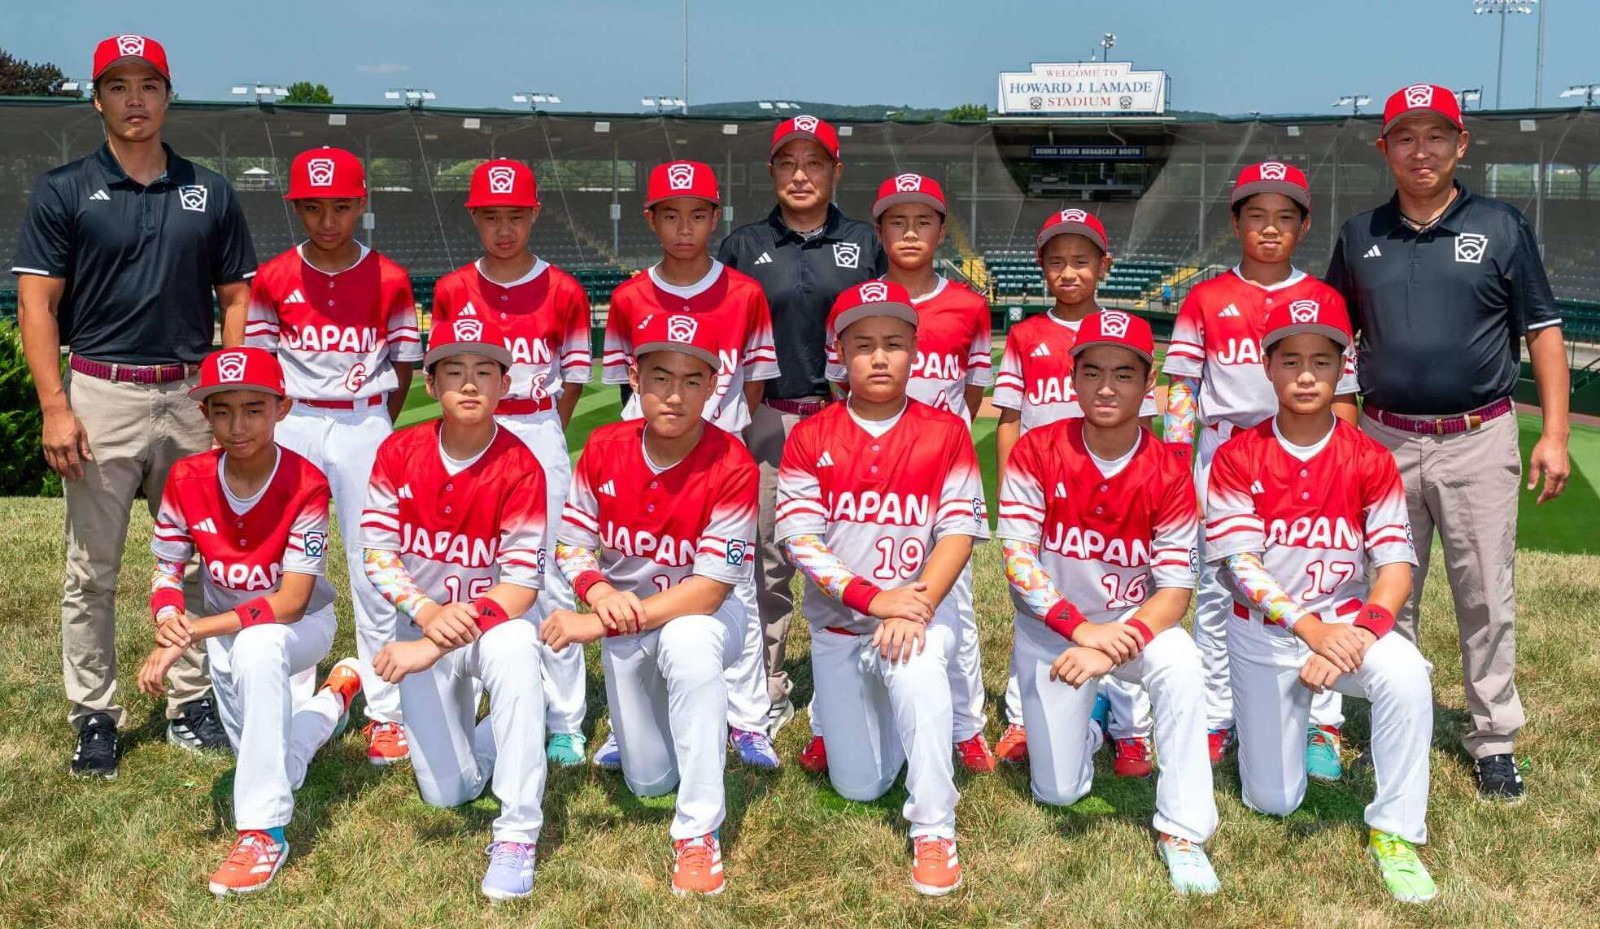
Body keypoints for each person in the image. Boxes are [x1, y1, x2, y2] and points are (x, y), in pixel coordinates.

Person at [13, 33, 258, 775]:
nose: (135, 99)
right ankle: (95, 713)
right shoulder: (63, 189)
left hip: (188, 395)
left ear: (167, 95)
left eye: (148, 85)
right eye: (118, 86)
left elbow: (236, 295)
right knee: (93, 569)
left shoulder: (209, 190)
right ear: (97, 100)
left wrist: (225, 388)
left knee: (198, 559)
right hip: (101, 392)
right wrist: (55, 406)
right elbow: (36, 303)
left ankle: (191, 700)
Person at [1326, 82, 1568, 803]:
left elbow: (1543, 330)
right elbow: (1333, 340)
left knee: (1485, 593)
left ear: (1461, 144)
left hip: (1478, 435)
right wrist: (1342, 440)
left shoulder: (1500, 224)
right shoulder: (1359, 234)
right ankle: (1390, 722)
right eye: (1406, 137)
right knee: (1386, 592)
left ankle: (1493, 737)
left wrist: (1555, 433)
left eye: (1436, 135)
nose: (1421, 150)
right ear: (1385, 149)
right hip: (1383, 437)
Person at [1207, 298, 1437, 903]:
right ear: (1267, 367)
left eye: (1321, 361)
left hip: (1347, 630)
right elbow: (1240, 567)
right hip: (1265, 634)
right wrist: (1314, 633)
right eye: (1290, 361)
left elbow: (1395, 570)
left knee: (1407, 675)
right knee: (1274, 801)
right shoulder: (1236, 456)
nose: (1306, 375)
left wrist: (1354, 637)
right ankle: (1272, 735)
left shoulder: (1370, 458)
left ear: (1342, 369)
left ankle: (1395, 831)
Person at [776, 281, 988, 897]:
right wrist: (876, 600)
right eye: (862, 344)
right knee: (859, 786)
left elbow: (957, 534)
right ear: (839, 354)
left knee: (916, 666)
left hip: (918, 618)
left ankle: (934, 827)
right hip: (843, 625)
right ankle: (896, 728)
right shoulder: (809, 436)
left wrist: (912, 606)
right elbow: (801, 542)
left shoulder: (946, 430)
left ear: (914, 351)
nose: (878, 357)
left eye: (894, 343)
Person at [997, 310, 1219, 895]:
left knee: (1182, 663)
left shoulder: (1169, 471)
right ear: (1072, 379)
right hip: (1054, 630)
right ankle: (1092, 725)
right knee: (1058, 793)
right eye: (1092, 371)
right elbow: (1018, 560)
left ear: (1149, 384)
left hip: (1130, 626)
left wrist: (1108, 646)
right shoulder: (1036, 450)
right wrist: (1080, 633)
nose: (1105, 387)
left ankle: (1183, 831)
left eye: (1124, 374)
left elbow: (1174, 593)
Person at [542, 312, 759, 897]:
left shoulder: (733, 461)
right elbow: (572, 543)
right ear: (635, 378)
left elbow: (710, 589)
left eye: (692, 380)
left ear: (713, 386)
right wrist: (600, 593)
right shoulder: (604, 445)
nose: (675, 394)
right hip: (623, 617)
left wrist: (597, 621)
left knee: (688, 644)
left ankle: (698, 833)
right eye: (661, 377)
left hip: (705, 617)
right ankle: (687, 726)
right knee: (648, 781)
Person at [135, 346, 361, 895]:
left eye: (254, 409)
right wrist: (169, 615)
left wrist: (192, 632)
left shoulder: (306, 482)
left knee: (261, 647)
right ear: (206, 415)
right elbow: (167, 568)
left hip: (302, 627)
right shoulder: (186, 477)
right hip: (224, 632)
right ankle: (335, 697)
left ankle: (263, 834)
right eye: (223, 411)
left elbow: (291, 601)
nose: (238, 426)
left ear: (282, 409)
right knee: (275, 760)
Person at [1162, 161, 1360, 778]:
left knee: (1316, 588)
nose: (1269, 228)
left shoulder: (1325, 299)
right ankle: (1218, 715)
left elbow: (1344, 393)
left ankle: (1321, 720)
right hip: (1224, 456)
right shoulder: (1205, 297)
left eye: (1283, 217)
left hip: (1304, 456)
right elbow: (1181, 388)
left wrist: (1341, 466)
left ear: (1304, 225)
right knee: (1219, 591)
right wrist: (1177, 468)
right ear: (1235, 223)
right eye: (1256, 215)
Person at [808, 172, 995, 775]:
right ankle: (828, 723)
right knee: (846, 596)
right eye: (897, 221)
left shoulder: (968, 305)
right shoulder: (856, 303)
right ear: (879, 229)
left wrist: (932, 447)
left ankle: (964, 726)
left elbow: (971, 397)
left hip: (938, 470)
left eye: (922, 221)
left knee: (953, 607)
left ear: (942, 229)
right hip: (867, 472)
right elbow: (841, 389)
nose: (910, 233)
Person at [362, 316, 551, 901]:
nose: (469, 384)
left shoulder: (523, 465)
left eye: (484, 372)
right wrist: (424, 614)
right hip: (424, 620)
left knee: (517, 648)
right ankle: (514, 724)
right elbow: (377, 553)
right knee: (448, 793)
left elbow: (519, 587)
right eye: (454, 371)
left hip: (492, 626)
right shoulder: (397, 451)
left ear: (504, 383)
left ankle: (517, 833)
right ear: (430, 383)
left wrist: (431, 641)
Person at [243, 146, 420, 767]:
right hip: (292, 421)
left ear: (360, 204)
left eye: (340, 206)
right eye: (313, 207)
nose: (327, 220)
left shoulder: (390, 277)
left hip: (362, 421)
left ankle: (386, 710)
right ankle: (291, 698)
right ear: (296, 207)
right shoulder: (272, 277)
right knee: (287, 563)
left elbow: (403, 366)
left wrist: (371, 423)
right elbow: (259, 363)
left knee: (374, 563)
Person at [599, 160, 779, 769]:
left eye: (697, 215)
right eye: (670, 215)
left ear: (714, 218)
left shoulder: (745, 293)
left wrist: (717, 438)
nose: (684, 228)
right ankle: (626, 721)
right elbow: (625, 391)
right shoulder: (628, 297)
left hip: (721, 462)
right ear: (650, 219)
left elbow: (753, 384)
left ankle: (747, 720)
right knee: (636, 577)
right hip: (650, 460)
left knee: (736, 588)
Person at [718, 115, 887, 738]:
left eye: (814, 162)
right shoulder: (742, 246)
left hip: (843, 418)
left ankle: (858, 678)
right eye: (788, 162)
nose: (800, 174)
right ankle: (766, 684)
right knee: (765, 559)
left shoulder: (865, 243)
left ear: (835, 171)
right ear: (771, 171)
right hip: (767, 417)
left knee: (848, 552)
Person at [431, 158, 592, 767]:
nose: (504, 229)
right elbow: (444, 370)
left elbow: (573, 380)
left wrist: (540, 430)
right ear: (474, 217)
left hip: (535, 422)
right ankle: (480, 693)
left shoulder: (564, 289)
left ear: (535, 215)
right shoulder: (452, 289)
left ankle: (565, 718)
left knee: (548, 574)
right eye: (492, 216)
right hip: (470, 432)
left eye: (516, 216)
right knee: (471, 565)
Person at [990, 209, 1158, 774]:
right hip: (1044, 491)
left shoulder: (1124, 331)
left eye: (1081, 261)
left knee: (1126, 597)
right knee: (1033, 603)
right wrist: (1013, 492)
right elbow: (1009, 418)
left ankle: (1130, 727)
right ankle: (1024, 714)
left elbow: (1146, 425)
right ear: (1041, 267)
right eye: (1057, 261)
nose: (1068, 272)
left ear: (1104, 266)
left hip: (1114, 488)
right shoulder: (1025, 334)